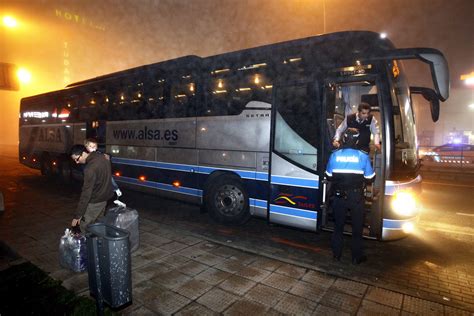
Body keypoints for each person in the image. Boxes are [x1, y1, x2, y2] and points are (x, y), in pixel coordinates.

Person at [325, 128, 375, 264]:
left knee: (338, 227)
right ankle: (356, 257)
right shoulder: (363, 156)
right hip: (356, 197)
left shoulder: (334, 155)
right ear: (357, 141)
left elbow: (328, 175)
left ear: (344, 139)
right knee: (357, 228)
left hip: (338, 197)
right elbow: (370, 178)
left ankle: (336, 255)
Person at [70, 144, 115, 232]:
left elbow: (86, 193)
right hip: (105, 198)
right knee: (99, 225)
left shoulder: (90, 168)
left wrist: (78, 216)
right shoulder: (103, 157)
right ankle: (99, 243)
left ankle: (88, 244)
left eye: (77, 159)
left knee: (84, 226)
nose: (77, 162)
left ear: (83, 153)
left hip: (96, 201)